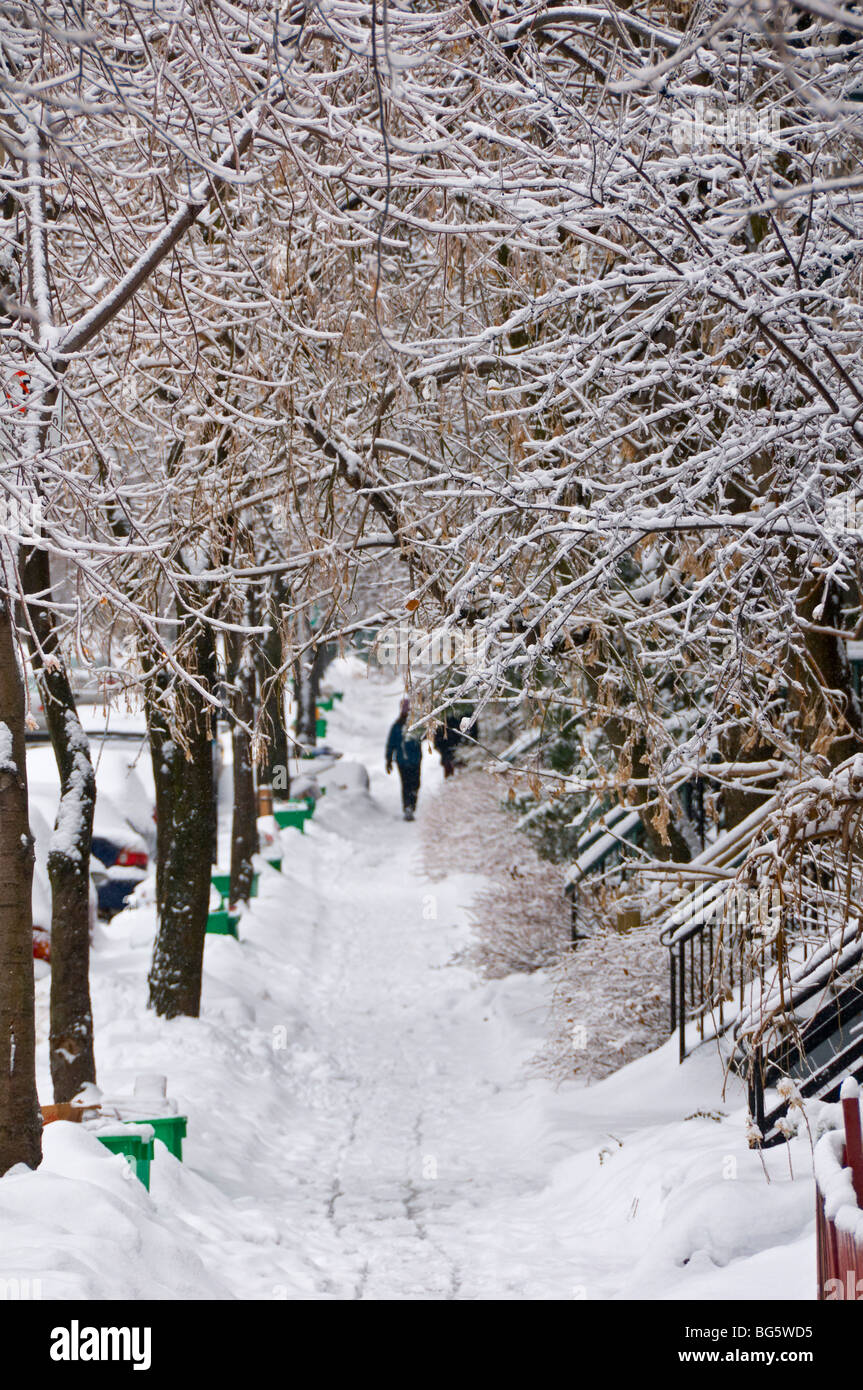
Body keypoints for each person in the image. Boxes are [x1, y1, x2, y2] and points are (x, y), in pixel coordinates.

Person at [386, 697, 423, 820]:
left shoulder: (417, 725)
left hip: (415, 760)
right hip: (403, 761)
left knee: (415, 784)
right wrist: (388, 760)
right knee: (407, 784)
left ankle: (411, 805)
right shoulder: (397, 726)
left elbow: (424, 737)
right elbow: (391, 744)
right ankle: (408, 807)